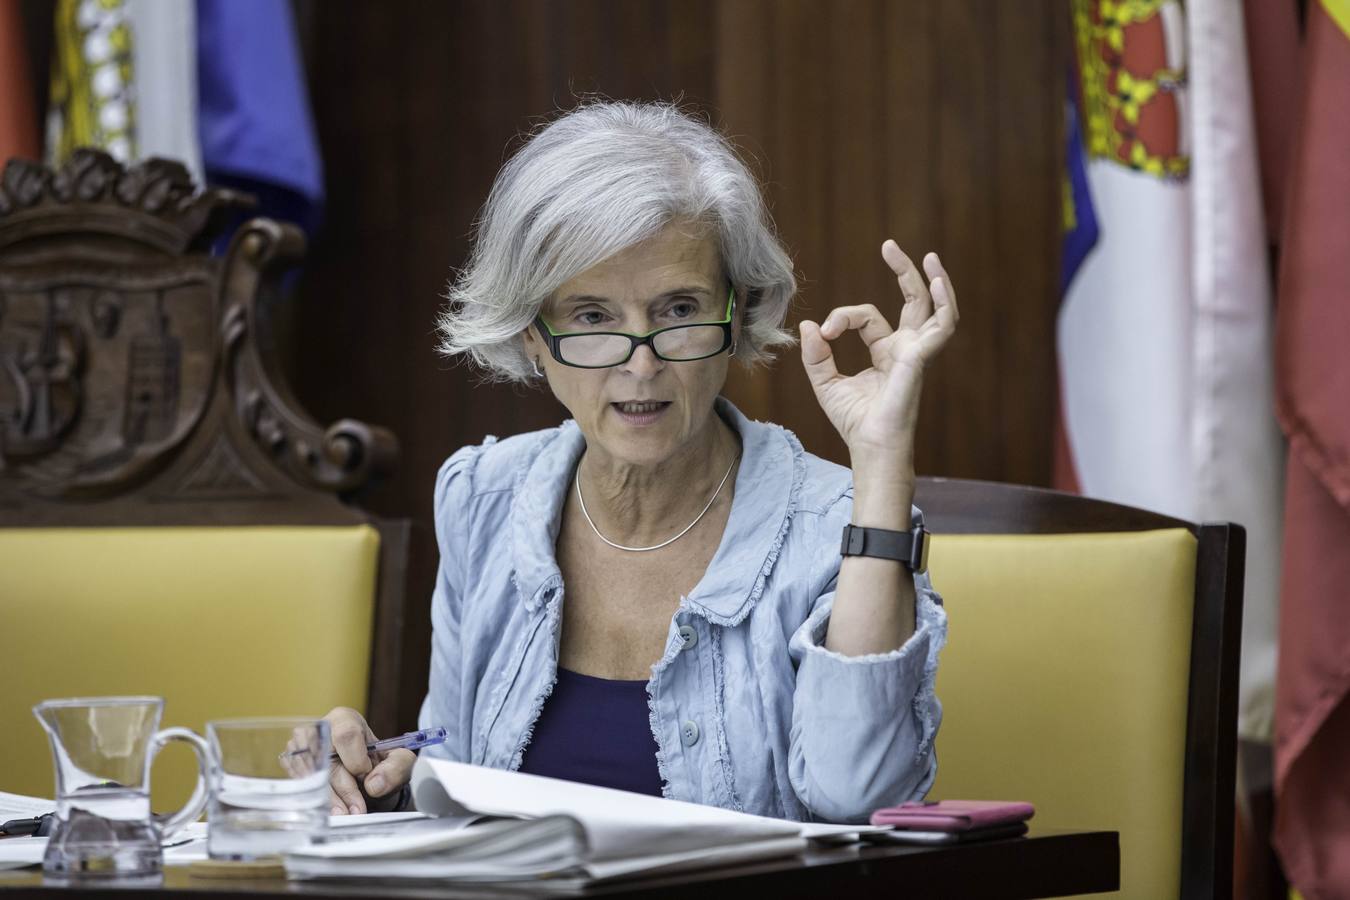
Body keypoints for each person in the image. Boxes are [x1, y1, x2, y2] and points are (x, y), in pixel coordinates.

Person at [324, 100, 956, 824]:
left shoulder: (834, 525)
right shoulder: (485, 496)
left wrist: (880, 466)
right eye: (592, 318)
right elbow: (458, 774)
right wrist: (382, 780)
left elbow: (860, 797)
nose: (642, 363)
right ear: (533, 333)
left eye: (678, 309)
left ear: (738, 312)